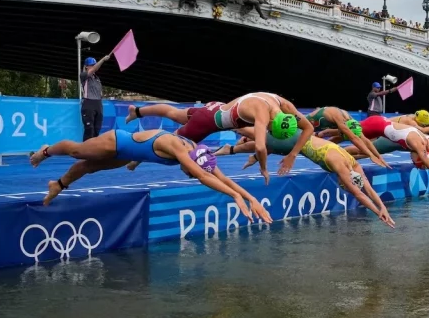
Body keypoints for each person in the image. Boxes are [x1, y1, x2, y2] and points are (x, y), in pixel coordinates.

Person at [28, 130, 272, 224]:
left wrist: (250, 198)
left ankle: (58, 185)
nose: (187, 175)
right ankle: (46, 151)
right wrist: (234, 197)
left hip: (130, 153)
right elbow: (202, 177)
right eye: (189, 173)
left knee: (89, 167)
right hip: (118, 140)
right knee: (77, 151)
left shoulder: (199, 152)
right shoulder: (181, 150)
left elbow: (219, 177)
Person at [219, 128, 396, 228]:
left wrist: (382, 208)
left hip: (299, 141)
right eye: (344, 186)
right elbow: (359, 194)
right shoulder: (340, 166)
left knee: (268, 145)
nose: (343, 186)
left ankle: (235, 149)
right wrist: (377, 212)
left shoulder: (354, 166)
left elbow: (368, 190)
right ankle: (224, 121)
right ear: (345, 180)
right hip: (296, 142)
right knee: (258, 137)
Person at [124, 92, 313, 182]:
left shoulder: (283, 105)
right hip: (207, 123)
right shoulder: (262, 115)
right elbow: (261, 147)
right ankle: (136, 159)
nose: (268, 132)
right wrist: (263, 169)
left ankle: (137, 111)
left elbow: (309, 128)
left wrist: (293, 155)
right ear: (272, 124)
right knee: (172, 145)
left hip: (214, 107)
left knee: (175, 113)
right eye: (270, 131)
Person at [304, 106, 389, 168]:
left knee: (331, 139)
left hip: (326, 124)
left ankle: (325, 146)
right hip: (311, 121)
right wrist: (371, 155)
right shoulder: (339, 119)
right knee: (319, 136)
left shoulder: (352, 122)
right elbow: (353, 138)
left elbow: (364, 140)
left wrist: (378, 156)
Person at [80, 55, 111, 140]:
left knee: (97, 129)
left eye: (94, 64)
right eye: (92, 65)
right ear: (86, 66)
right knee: (89, 129)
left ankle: (94, 150)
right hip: (89, 103)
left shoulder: (97, 79)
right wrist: (103, 59)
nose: (94, 66)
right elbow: (94, 69)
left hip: (98, 104)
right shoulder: (84, 76)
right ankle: (85, 151)